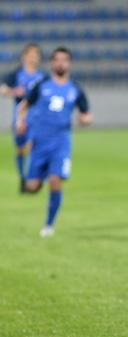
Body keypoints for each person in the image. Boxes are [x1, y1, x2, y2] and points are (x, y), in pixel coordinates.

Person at [16, 47, 92, 237]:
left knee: (55, 180)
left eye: (64, 60)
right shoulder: (42, 85)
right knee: (32, 187)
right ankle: (42, 175)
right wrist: (20, 121)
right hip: (39, 142)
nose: (60, 63)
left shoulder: (75, 89)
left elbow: (86, 114)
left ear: (69, 63)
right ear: (51, 63)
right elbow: (24, 105)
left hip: (60, 144)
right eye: (57, 60)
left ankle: (49, 225)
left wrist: (85, 120)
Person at [0, 43, 45, 192]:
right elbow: (3, 89)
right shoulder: (17, 74)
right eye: (31, 54)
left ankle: (33, 178)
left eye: (36, 55)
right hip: (20, 118)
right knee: (20, 149)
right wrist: (14, 91)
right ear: (24, 57)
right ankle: (22, 177)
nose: (33, 58)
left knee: (34, 146)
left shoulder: (42, 77)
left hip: (37, 118)